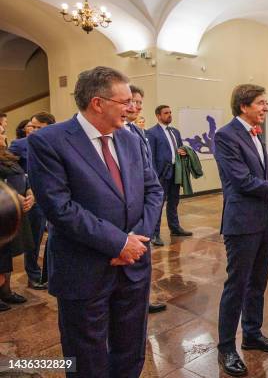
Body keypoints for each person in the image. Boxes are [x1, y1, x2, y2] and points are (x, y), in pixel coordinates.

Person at [28, 66, 164, 378]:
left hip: (134, 266)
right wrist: (118, 243)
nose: (132, 108)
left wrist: (136, 241)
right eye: (125, 101)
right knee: (86, 357)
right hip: (84, 269)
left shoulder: (130, 140)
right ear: (97, 103)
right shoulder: (49, 141)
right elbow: (59, 208)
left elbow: (153, 190)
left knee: (130, 351)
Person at [214, 84, 268, 377]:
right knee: (236, 285)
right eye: (261, 103)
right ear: (244, 106)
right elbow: (241, 181)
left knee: (258, 282)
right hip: (241, 223)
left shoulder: (255, 133)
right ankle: (226, 346)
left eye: (266, 103)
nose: (266, 107)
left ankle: (252, 334)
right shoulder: (226, 136)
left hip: (263, 219)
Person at [126, 85, 167, 314]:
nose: (136, 106)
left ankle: (144, 298)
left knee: (144, 256)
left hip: (145, 202)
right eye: (131, 101)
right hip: (128, 205)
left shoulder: (139, 132)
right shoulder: (119, 132)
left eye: (140, 102)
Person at [9, 112, 56, 290]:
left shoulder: (55, 143)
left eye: (38, 127)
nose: (33, 130)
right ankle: (33, 275)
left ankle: (48, 274)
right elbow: (11, 169)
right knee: (33, 239)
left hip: (53, 196)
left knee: (53, 238)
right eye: (31, 126)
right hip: (31, 199)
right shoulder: (19, 145)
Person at [147, 105, 192, 245]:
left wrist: (183, 151)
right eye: (166, 113)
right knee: (158, 204)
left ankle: (175, 228)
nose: (169, 115)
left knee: (174, 201)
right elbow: (151, 156)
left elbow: (179, 148)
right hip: (161, 173)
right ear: (158, 116)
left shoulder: (175, 132)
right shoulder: (152, 133)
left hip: (175, 172)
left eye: (170, 112)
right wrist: (154, 176)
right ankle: (154, 234)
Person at [0, 143, 33, 311]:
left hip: (14, 212)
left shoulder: (8, 156)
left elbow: (24, 178)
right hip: (3, 210)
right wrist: (13, 195)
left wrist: (30, 193)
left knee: (6, 255)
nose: (3, 136)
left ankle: (6, 291)